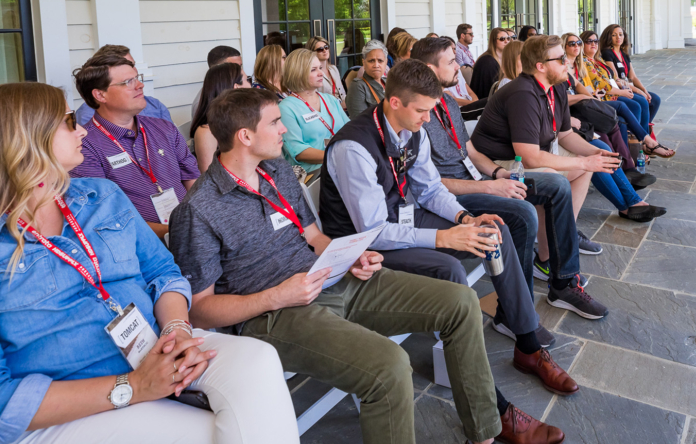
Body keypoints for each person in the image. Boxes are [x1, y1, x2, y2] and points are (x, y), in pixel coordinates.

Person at [169, 88, 561, 444]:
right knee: (390, 366)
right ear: (245, 136)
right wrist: (277, 295)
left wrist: (349, 254)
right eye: (275, 123)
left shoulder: (276, 172)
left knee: (459, 302)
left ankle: (484, 432)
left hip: (331, 277)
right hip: (275, 313)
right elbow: (200, 309)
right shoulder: (199, 210)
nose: (284, 132)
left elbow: (313, 237)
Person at [0, 83, 298, 444]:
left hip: (155, 349)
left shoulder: (101, 196)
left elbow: (163, 273)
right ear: (27, 138)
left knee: (257, 359)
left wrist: (176, 330)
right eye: (69, 121)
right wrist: (132, 387)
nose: (83, 130)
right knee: (211, 435)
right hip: (68, 402)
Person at [321, 60, 580, 399]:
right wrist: (443, 237)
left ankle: (528, 346)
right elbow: (374, 231)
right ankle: (478, 389)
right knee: (449, 267)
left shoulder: (411, 128)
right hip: (365, 249)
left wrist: (464, 220)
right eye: (422, 111)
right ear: (394, 102)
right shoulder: (354, 146)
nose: (427, 119)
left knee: (491, 233)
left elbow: (429, 190)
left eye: (431, 110)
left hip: (404, 219)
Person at [412, 37, 610, 322]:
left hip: (481, 177)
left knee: (553, 184)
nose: (459, 66)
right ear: (430, 68)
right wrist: (488, 185)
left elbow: (469, 150)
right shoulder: (415, 116)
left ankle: (563, 281)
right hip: (455, 198)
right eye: (452, 61)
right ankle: (516, 313)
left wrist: (497, 172)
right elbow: (430, 187)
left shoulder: (447, 102)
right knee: (525, 210)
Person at [471, 36, 667, 223]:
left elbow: (564, 135)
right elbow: (529, 156)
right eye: (561, 58)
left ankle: (566, 227)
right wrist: (585, 162)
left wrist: (595, 153)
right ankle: (552, 236)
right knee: (559, 173)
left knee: (589, 161)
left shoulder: (556, 88)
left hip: (534, 151)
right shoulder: (523, 93)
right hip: (499, 159)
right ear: (540, 66)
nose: (567, 62)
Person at [70, 53, 200, 239]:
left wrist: (201, 224)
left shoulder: (164, 128)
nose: (140, 85)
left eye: (137, 78)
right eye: (127, 82)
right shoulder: (85, 146)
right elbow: (104, 218)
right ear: (100, 94)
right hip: (139, 248)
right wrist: (178, 232)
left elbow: (193, 179)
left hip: (193, 235)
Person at [563, 33, 654, 191]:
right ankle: (638, 151)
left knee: (619, 123)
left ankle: (629, 169)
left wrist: (590, 96)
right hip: (576, 112)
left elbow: (583, 86)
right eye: (572, 43)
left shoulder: (580, 65)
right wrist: (587, 97)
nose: (577, 46)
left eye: (578, 42)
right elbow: (563, 98)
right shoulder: (563, 68)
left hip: (587, 104)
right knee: (612, 119)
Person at [597, 25, 675, 159]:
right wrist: (639, 92)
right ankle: (643, 143)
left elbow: (632, 76)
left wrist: (644, 90)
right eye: (614, 35)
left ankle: (640, 132)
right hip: (619, 88)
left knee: (654, 99)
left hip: (628, 86)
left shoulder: (624, 53)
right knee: (641, 101)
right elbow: (616, 78)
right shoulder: (607, 53)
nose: (618, 38)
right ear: (609, 37)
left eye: (620, 34)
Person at [279, 49, 349, 176]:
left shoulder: (330, 99)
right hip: (315, 175)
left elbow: (350, 130)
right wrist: (336, 156)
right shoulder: (286, 108)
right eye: (313, 70)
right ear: (297, 74)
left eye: (320, 68)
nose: (321, 73)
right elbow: (298, 151)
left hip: (342, 166)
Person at [74, 45, 172, 127]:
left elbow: (172, 139)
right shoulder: (87, 116)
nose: (132, 70)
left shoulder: (154, 105)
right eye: (124, 67)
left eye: (132, 65)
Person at [191, 63, 250, 173]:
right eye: (248, 80)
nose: (251, 85)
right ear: (236, 87)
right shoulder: (206, 132)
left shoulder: (243, 119)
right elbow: (209, 176)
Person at [192, 46, 243, 118]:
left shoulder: (234, 89)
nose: (240, 71)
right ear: (217, 70)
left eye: (240, 66)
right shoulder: (203, 105)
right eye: (234, 67)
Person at [346, 40, 388, 117]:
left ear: (386, 63)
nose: (376, 65)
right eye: (371, 61)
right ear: (364, 63)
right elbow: (360, 123)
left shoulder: (389, 83)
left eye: (380, 61)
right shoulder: (358, 86)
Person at [306, 36, 347, 110]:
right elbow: (315, 100)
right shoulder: (312, 74)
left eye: (326, 47)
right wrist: (340, 105)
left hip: (344, 108)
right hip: (328, 109)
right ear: (312, 53)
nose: (325, 50)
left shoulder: (333, 69)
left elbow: (342, 93)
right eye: (320, 49)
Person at [471, 28, 512, 98]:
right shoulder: (487, 61)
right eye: (502, 39)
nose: (506, 41)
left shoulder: (505, 58)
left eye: (508, 38)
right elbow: (491, 89)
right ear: (494, 41)